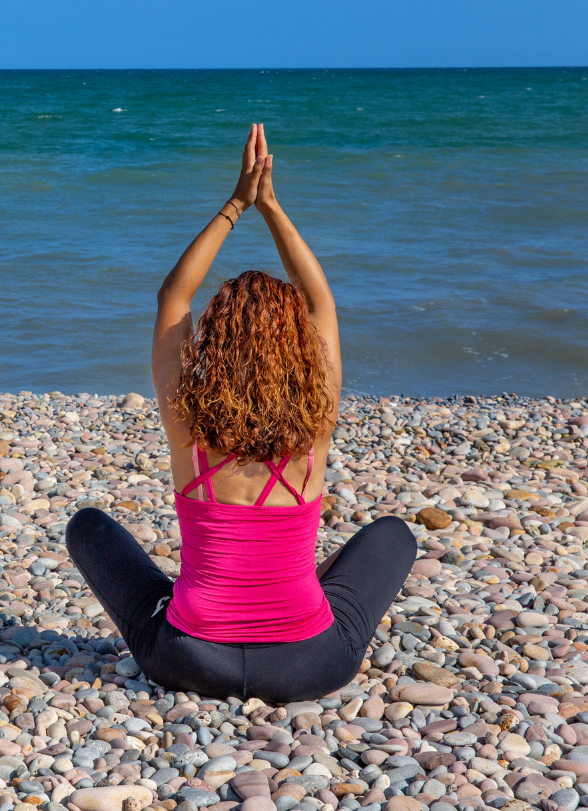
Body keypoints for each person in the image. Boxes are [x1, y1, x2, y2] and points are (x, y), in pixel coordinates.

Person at [67, 124, 415, 703]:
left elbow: (172, 300)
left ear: (215, 342)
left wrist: (236, 203)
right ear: (300, 349)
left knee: (88, 527)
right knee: (394, 535)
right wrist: (272, 206)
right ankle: (295, 597)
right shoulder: (315, 427)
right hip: (312, 666)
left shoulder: (189, 427)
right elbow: (321, 300)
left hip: (190, 659)